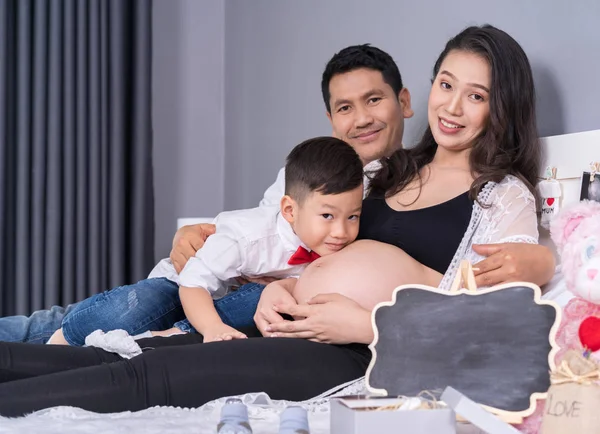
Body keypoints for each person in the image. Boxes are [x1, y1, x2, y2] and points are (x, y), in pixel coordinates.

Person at [0, 24, 547, 417]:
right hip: (276, 316)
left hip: (353, 353)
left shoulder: (502, 197)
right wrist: (240, 263)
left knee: (145, 376)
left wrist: (370, 326)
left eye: (476, 96)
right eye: (446, 84)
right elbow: (286, 228)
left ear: (503, 108)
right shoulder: (385, 168)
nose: (452, 106)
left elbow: (494, 327)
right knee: (118, 354)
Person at [0, 43, 414, 344]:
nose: (361, 119)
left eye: (373, 100)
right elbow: (265, 243)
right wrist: (201, 239)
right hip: (215, 282)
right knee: (83, 318)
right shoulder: (306, 175)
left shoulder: (417, 185)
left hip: (245, 302)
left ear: (404, 101)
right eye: (345, 108)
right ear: (331, 118)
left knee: (96, 321)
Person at [50, 137, 365, 346]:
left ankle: (172, 337)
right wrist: (211, 328)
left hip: (226, 299)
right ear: (289, 210)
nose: (341, 232)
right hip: (182, 284)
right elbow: (193, 284)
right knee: (137, 307)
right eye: (327, 217)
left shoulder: (333, 246)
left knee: (263, 298)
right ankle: (66, 335)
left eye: (352, 217)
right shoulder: (249, 236)